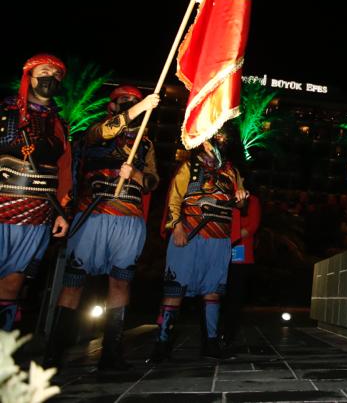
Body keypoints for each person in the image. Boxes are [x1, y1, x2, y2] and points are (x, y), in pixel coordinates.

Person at [43, 85, 160, 369]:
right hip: (93, 214)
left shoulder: (145, 144)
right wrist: (140, 107)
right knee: (74, 280)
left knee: (121, 281)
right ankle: (54, 353)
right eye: (125, 102)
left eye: (134, 101)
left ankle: (111, 353)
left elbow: (153, 182)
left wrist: (135, 174)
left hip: (128, 218)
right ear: (112, 106)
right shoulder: (98, 130)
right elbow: (101, 136)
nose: (130, 104)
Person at [147, 139, 247, 363]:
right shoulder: (189, 167)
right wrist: (177, 227)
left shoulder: (232, 171)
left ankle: (211, 343)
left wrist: (241, 197)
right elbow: (174, 199)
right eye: (213, 138)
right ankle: (162, 344)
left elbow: (240, 205)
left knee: (213, 291)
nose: (217, 142)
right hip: (189, 236)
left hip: (219, 240)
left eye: (222, 137)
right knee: (174, 290)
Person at [0, 54, 71, 332]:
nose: (49, 78)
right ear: (28, 75)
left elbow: (65, 171)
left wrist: (62, 211)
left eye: (56, 75)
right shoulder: (4, 111)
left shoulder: (59, 125)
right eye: (44, 71)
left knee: (14, 282)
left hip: (36, 212)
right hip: (2, 201)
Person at [221, 191, 261, 346]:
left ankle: (229, 333)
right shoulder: (224, 196)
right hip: (220, 249)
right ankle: (215, 331)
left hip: (239, 251)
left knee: (234, 294)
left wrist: (232, 238)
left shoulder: (253, 200)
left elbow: (253, 225)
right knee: (216, 292)